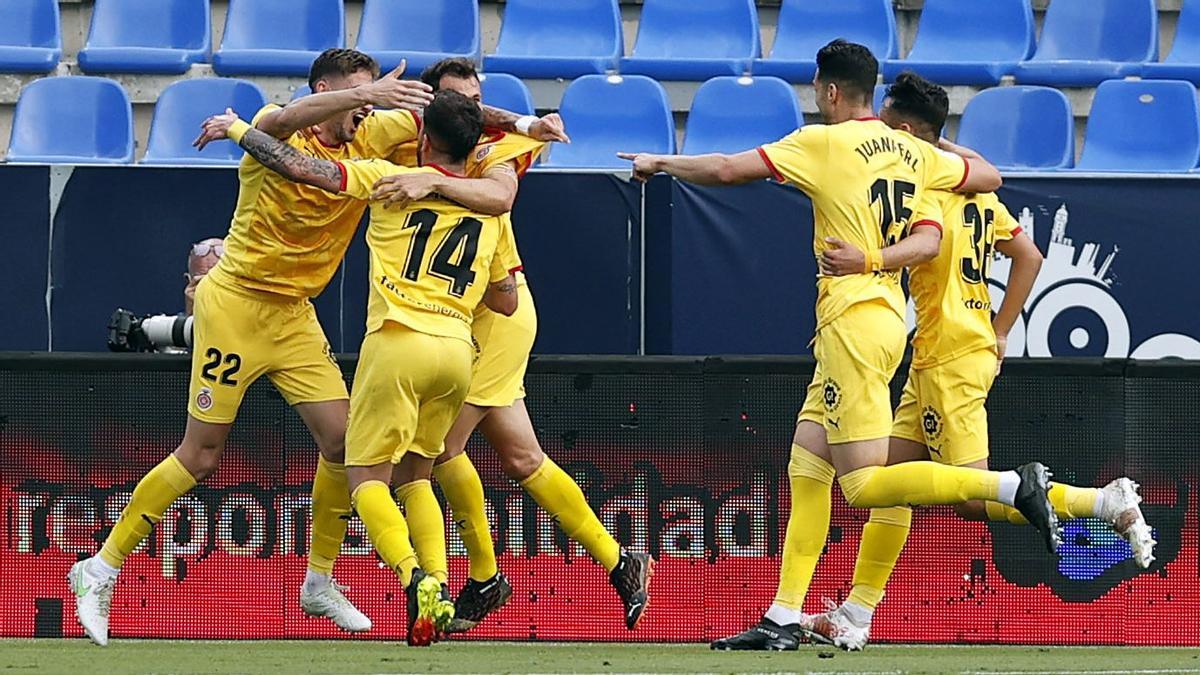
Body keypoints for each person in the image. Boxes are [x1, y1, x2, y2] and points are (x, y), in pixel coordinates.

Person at [68, 48, 558, 647]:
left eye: (371, 94)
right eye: (357, 93)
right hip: (236, 308)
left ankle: (319, 580)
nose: (369, 104)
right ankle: (99, 568)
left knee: (343, 444)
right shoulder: (285, 125)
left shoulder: (370, 134)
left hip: (295, 316)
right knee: (201, 456)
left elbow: (461, 111)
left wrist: (529, 126)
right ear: (326, 90)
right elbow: (276, 127)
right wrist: (360, 96)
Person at [619, 39, 1061, 652]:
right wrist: (937, 147)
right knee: (808, 460)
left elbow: (724, 170)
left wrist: (660, 163)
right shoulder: (913, 150)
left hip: (853, 322)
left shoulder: (821, 144)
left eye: (815, 90)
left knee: (863, 486)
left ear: (829, 91)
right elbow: (989, 177)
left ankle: (1010, 487)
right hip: (879, 321)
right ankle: (781, 617)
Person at [804, 72, 1156, 651]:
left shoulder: (925, 190)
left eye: (892, 129)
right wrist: (999, 329)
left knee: (976, 497)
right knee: (891, 483)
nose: (883, 139)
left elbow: (938, 244)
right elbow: (1029, 254)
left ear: (910, 132)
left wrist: (869, 260)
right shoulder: (973, 189)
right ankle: (857, 611)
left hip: (948, 358)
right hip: (949, 351)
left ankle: (1102, 502)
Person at [212, 88, 522, 645]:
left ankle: (414, 577)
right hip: (456, 353)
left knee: (365, 477)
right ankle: (442, 593)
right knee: (419, 473)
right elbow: (505, 299)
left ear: (422, 139)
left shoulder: (387, 177)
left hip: (398, 343)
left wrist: (238, 130)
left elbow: (302, 168)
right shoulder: (490, 206)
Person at [369, 57, 653, 634]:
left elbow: (500, 198)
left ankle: (482, 578)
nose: (470, 111)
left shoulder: (491, 150)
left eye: (476, 101)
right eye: (459, 100)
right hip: (458, 318)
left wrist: (508, 137)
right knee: (522, 457)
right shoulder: (401, 141)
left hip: (493, 314)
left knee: (434, 454)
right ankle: (620, 560)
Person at [184, 238, 223, 316]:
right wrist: (192, 315)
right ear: (188, 281)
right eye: (202, 281)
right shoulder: (171, 325)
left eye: (219, 281)